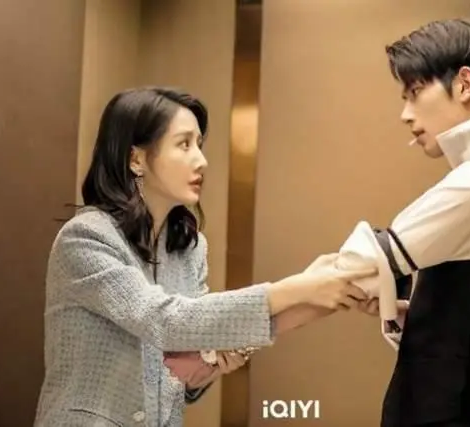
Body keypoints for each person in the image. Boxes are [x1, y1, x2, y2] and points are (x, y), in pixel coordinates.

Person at [33, 87, 376, 427]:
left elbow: (184, 364)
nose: (201, 160)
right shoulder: (86, 237)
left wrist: (211, 362)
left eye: (199, 144)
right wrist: (296, 289)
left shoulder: (190, 249)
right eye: (184, 144)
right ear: (136, 159)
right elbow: (167, 322)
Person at [339, 19, 470, 427]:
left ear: (465, 85)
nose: (405, 114)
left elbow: (362, 261)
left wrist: (254, 312)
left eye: (415, 92)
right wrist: (423, 317)